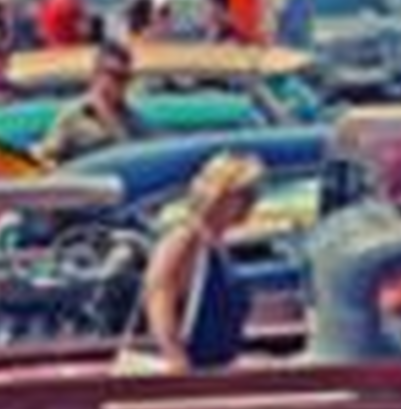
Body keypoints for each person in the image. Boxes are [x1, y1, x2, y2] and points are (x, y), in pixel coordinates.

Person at [143, 153, 263, 371]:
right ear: (218, 196)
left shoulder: (215, 245)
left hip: (218, 369)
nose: (250, 203)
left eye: (252, 196)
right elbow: (159, 301)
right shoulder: (184, 241)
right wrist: (179, 366)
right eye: (243, 195)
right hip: (194, 373)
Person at [37, 41, 149, 164]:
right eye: (113, 75)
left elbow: (136, 159)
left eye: (125, 77)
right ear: (96, 75)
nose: (119, 84)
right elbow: (46, 159)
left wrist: (109, 118)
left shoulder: (134, 120)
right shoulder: (73, 117)